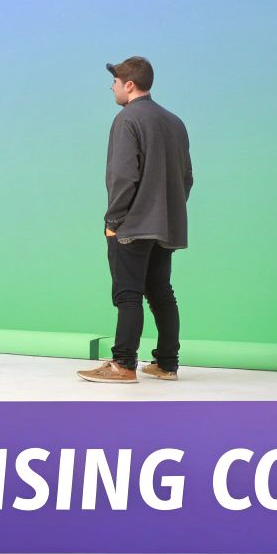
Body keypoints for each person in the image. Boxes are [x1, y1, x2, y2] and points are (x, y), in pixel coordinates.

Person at [79, 57, 193, 384]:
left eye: (115, 82)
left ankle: (123, 364)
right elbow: (187, 177)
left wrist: (114, 219)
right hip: (164, 225)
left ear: (129, 84)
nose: (112, 88)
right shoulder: (175, 122)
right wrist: (166, 210)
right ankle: (167, 364)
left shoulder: (127, 119)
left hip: (132, 224)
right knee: (161, 293)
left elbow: (123, 176)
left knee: (128, 294)